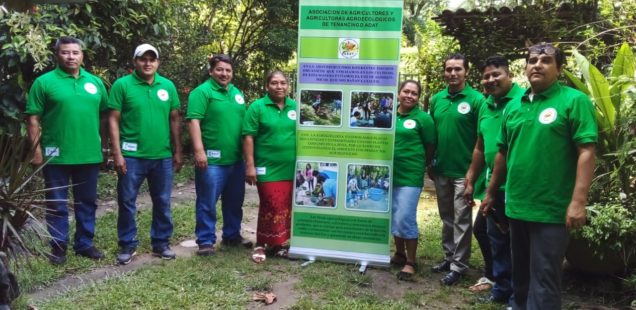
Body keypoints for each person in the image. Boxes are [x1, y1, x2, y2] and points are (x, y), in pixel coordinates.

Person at [482, 43, 597, 309]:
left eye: (545, 60)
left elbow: (587, 151)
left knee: (545, 279)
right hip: (517, 205)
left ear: (559, 68)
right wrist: (490, 192)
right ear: (524, 68)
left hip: (552, 210)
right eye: (532, 60)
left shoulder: (573, 101)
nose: (537, 65)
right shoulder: (514, 105)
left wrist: (578, 202)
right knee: (520, 278)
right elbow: (502, 153)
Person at [26, 36, 108, 265]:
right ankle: (58, 247)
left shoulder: (96, 83)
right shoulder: (44, 82)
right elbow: (32, 119)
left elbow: (104, 116)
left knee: (87, 202)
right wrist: (36, 151)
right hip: (56, 156)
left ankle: (84, 244)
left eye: (75, 52)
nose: (71, 57)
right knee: (56, 203)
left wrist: (104, 146)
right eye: (65, 52)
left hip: (89, 154)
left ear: (82, 55)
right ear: (57, 55)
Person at [108, 44, 182, 265]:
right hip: (132, 156)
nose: (148, 63)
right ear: (135, 61)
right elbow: (113, 119)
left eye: (152, 59)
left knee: (162, 200)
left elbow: (175, 118)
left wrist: (178, 150)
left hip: (162, 156)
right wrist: (117, 153)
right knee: (127, 200)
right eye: (143, 59)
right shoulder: (122, 85)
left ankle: (161, 242)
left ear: (158, 62)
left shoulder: (167, 86)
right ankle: (127, 244)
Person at [464, 55, 524, 304]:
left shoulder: (524, 101)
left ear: (509, 74)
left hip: (519, 187)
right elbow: (480, 147)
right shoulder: (487, 105)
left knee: (517, 244)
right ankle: (500, 289)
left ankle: (518, 295)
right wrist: (470, 179)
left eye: (496, 74)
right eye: (486, 76)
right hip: (493, 187)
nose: (490, 80)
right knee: (496, 238)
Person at [187, 54, 251, 256]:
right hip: (212, 160)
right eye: (220, 69)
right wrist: (199, 151)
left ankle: (232, 235)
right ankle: (205, 241)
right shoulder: (202, 92)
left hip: (235, 159)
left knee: (234, 201)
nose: (224, 74)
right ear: (211, 71)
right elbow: (193, 121)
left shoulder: (236, 93)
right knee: (207, 202)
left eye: (228, 70)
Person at [429, 53, 485, 285]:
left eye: (457, 69)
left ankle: (459, 266)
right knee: (447, 217)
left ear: (466, 72)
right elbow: (432, 134)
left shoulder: (476, 100)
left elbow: (481, 140)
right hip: (441, 169)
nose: (452, 73)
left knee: (462, 218)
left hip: (464, 172)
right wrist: (430, 164)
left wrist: (473, 175)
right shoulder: (437, 99)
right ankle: (448, 256)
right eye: (449, 69)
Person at [242, 71, 297, 263]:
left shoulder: (296, 107)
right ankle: (260, 243)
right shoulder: (257, 107)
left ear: (288, 86)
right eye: (274, 83)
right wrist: (250, 166)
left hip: (291, 168)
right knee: (270, 204)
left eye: (283, 83)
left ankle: (278, 244)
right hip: (266, 168)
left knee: (284, 206)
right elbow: (248, 136)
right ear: (267, 86)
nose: (279, 86)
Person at [391, 80, 436, 281]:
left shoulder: (423, 119)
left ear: (418, 97)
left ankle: (411, 261)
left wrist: (423, 164)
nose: (409, 96)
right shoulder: (390, 115)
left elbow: (430, 145)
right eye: (406, 91)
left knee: (405, 216)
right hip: (390, 174)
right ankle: (399, 254)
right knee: (394, 214)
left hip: (410, 174)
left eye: (414, 93)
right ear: (399, 93)